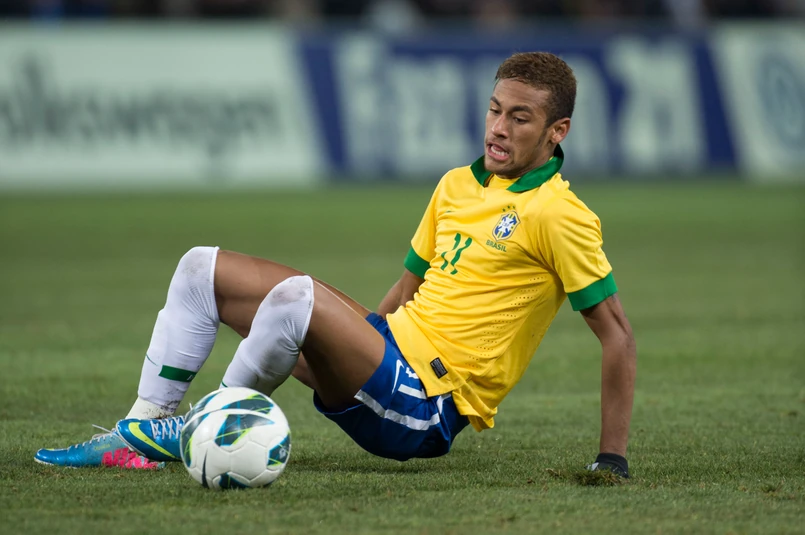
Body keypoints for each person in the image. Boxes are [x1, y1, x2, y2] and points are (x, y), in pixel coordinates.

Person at [36, 51, 636, 477]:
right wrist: (352, 343)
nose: (498, 129)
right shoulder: (457, 184)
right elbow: (407, 287)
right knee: (201, 269)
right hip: (390, 355)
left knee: (297, 298)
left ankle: (206, 429)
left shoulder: (559, 214)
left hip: (427, 405)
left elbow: (617, 336)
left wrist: (611, 459)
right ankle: (139, 431)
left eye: (519, 118)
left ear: (557, 131)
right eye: (494, 110)